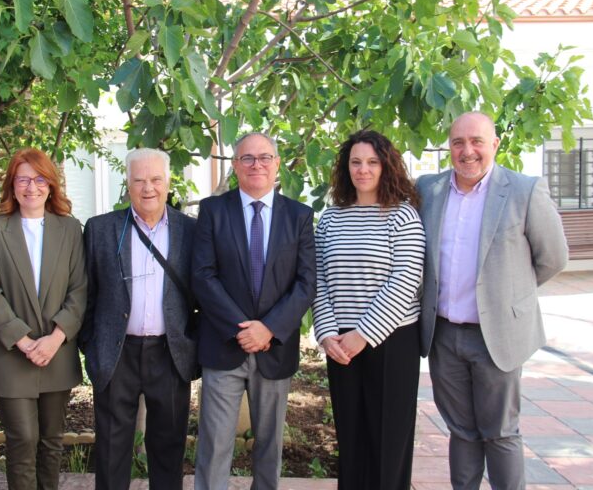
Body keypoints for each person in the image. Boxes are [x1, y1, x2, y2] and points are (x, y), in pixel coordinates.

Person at [417, 112, 568, 490]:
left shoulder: (524, 190)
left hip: (496, 334)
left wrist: (509, 298)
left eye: (477, 141)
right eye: (458, 143)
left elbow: (553, 257)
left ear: (495, 145)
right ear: (449, 147)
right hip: (444, 336)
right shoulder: (428, 191)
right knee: (462, 431)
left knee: (500, 432)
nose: (467, 151)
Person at [192, 132, 317, 490]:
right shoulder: (213, 210)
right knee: (215, 444)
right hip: (223, 346)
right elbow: (203, 275)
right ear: (235, 166)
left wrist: (269, 329)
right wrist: (241, 328)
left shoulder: (299, 216)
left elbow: (306, 283)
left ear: (277, 164)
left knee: (269, 446)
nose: (256, 164)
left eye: (265, 157)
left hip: (274, 349)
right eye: (247, 158)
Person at [312, 130, 425, 489]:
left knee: (387, 440)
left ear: (386, 166)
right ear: (346, 168)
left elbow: (406, 281)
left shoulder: (402, 216)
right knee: (351, 437)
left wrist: (363, 335)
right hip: (340, 346)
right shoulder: (330, 218)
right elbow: (318, 278)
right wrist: (328, 333)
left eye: (372, 162)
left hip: (391, 340)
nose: (363, 170)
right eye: (356, 162)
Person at [79, 148, 197, 490]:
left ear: (168, 182)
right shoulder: (101, 229)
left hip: (170, 353)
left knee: (168, 448)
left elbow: (202, 293)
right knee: (112, 451)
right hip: (117, 353)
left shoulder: (190, 231)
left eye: (156, 179)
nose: (149, 188)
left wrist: (192, 345)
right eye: (139, 180)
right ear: (127, 184)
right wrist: (92, 344)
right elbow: (87, 292)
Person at [0, 148, 87, 490]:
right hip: (11, 352)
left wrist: (55, 339)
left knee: (52, 441)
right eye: (23, 179)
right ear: (12, 185)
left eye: (40, 179)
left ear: (51, 186)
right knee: (22, 439)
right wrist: (25, 341)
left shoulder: (70, 230)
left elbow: (79, 289)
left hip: (57, 350)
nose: (31, 187)